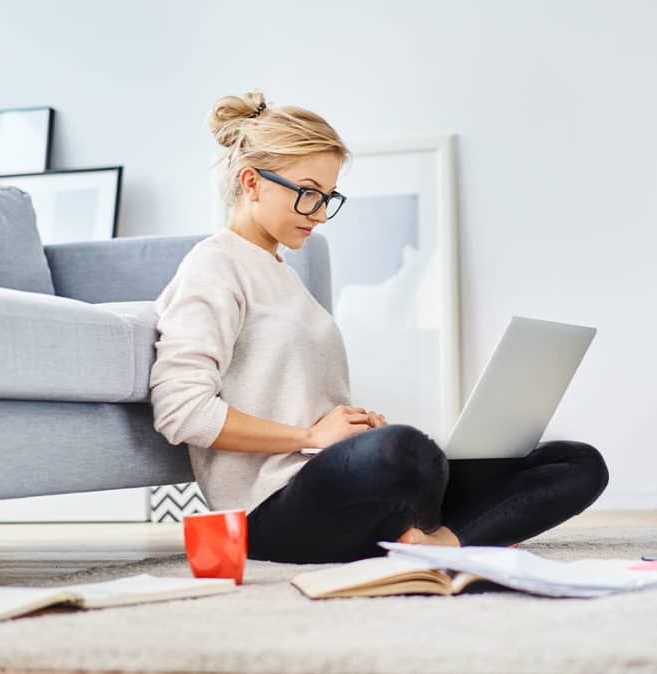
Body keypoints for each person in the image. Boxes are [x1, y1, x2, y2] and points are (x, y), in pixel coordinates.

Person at [149, 90, 610, 564]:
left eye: (328, 198)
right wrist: (311, 438)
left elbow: (305, 407)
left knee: (577, 463)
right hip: (269, 510)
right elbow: (180, 411)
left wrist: (352, 429)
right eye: (308, 194)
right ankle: (462, 528)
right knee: (407, 453)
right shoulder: (214, 266)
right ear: (251, 182)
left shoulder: (282, 273)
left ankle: (440, 543)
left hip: (336, 484)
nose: (321, 214)